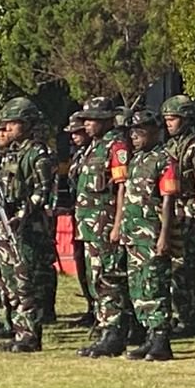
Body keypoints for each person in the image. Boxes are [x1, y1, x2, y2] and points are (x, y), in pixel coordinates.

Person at [0, 97, 56, 353]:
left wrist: (23, 213)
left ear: (27, 124)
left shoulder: (37, 154)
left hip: (26, 227)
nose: (7, 128)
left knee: (26, 282)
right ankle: (17, 330)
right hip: (6, 225)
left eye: (13, 123)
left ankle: (30, 335)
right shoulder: (11, 154)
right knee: (9, 283)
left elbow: (42, 190)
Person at [71, 96, 130, 357]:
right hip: (90, 227)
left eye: (92, 119)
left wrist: (118, 225)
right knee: (95, 277)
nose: (87, 124)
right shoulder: (93, 148)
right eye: (85, 119)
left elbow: (122, 187)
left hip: (106, 225)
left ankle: (114, 332)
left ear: (106, 120)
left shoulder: (116, 147)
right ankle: (104, 324)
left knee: (109, 278)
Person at [117, 108, 175, 362]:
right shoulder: (136, 160)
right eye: (132, 132)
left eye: (140, 131)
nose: (134, 136)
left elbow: (168, 199)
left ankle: (161, 337)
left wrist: (164, 235)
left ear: (154, 131)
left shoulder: (164, 159)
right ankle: (149, 334)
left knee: (155, 283)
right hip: (133, 234)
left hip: (152, 232)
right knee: (138, 285)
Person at [161, 95, 195, 339]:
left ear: (187, 119)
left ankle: (194, 320)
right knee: (176, 269)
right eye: (167, 119)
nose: (169, 123)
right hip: (175, 212)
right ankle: (182, 316)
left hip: (191, 213)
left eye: (173, 118)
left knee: (190, 269)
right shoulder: (170, 146)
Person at [62, 116, 96, 328]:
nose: (74, 137)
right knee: (81, 263)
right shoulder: (79, 155)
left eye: (78, 132)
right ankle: (91, 307)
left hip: (96, 219)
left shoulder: (98, 151)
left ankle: (100, 310)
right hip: (80, 216)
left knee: (96, 267)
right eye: (72, 133)